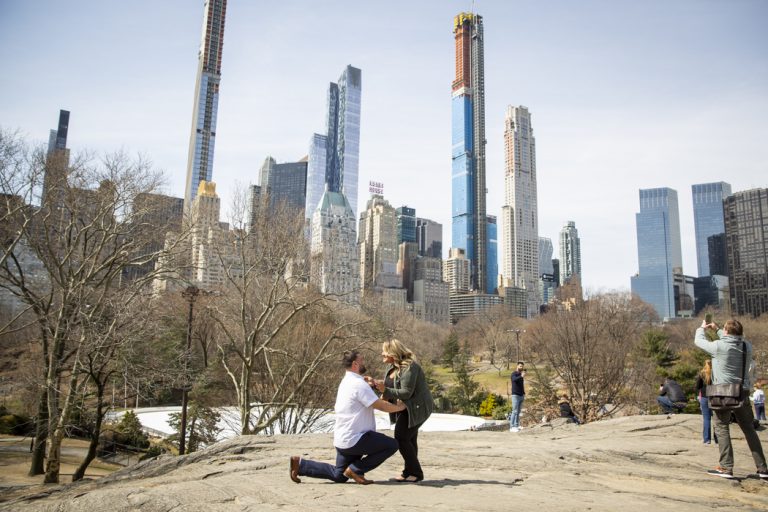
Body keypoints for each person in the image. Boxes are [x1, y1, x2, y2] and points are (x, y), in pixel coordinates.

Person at [289, 350, 406, 485]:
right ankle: (356, 469)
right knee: (391, 445)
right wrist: (400, 407)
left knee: (339, 475)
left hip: (343, 440)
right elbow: (380, 405)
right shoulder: (359, 384)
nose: (364, 363)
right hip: (356, 439)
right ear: (355, 364)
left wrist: (372, 385)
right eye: (362, 360)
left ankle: (300, 465)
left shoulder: (347, 381)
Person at [694, 319, 768, 480]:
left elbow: (698, 341)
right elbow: (733, 339)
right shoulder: (746, 346)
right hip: (742, 392)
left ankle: (726, 467)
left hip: (723, 393)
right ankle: (762, 468)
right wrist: (718, 329)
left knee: (721, 427)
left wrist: (702, 328)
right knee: (749, 429)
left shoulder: (719, 346)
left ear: (726, 333)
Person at [369, 339, 434, 483]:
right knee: (409, 439)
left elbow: (406, 392)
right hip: (405, 408)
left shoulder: (410, 368)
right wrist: (375, 384)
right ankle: (409, 472)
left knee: (401, 437)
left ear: (393, 353)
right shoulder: (392, 367)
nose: (382, 353)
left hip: (418, 408)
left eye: (385, 351)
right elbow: (391, 385)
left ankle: (416, 473)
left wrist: (385, 390)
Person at [694, 360, 717, 444]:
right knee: (716, 418)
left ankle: (707, 439)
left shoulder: (702, 373)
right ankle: (717, 439)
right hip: (715, 397)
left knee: (706, 419)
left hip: (704, 397)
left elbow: (697, 386)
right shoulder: (716, 372)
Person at [509, 362, 526, 432]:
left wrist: (524, 393)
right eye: (520, 366)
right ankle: (511, 427)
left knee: (518, 412)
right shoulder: (514, 374)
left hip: (521, 395)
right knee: (514, 411)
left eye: (522, 366)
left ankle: (516, 425)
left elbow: (521, 385)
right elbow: (514, 380)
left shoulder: (521, 375)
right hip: (515, 395)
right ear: (517, 366)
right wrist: (521, 376)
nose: (521, 368)